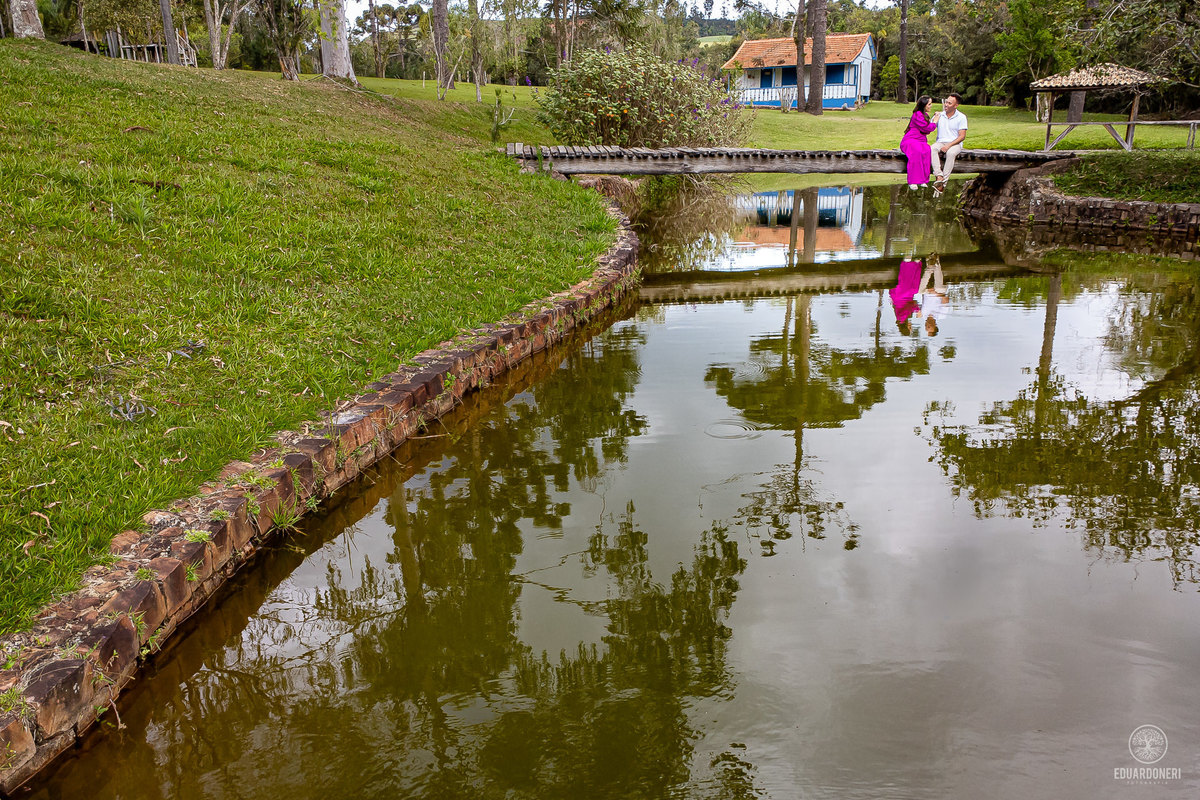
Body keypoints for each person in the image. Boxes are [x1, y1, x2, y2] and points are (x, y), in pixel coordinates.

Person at [930, 93, 968, 193]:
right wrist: (935, 119)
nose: (946, 105)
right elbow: (930, 128)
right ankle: (939, 176)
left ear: (956, 106)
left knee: (951, 153)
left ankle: (943, 183)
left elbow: (962, 136)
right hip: (941, 142)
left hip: (955, 144)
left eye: (949, 103)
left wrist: (949, 145)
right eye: (946, 102)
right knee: (932, 148)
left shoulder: (961, 117)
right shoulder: (940, 115)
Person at [900, 96, 938, 190]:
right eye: (929, 104)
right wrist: (935, 122)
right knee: (916, 151)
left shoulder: (925, 115)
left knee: (926, 150)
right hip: (910, 140)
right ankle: (912, 181)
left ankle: (923, 180)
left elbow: (926, 131)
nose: (931, 106)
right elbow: (926, 128)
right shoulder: (917, 114)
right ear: (924, 105)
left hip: (921, 140)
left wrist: (932, 121)